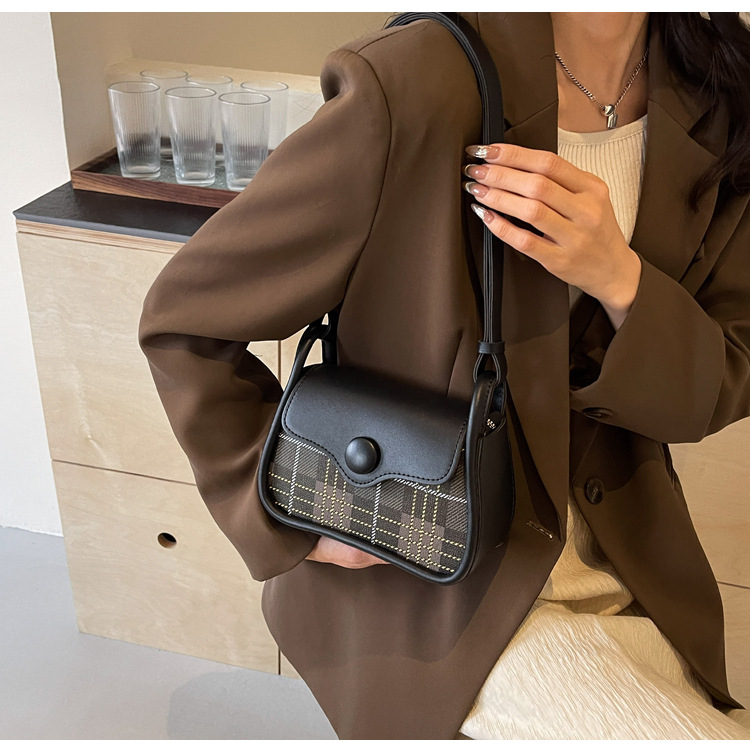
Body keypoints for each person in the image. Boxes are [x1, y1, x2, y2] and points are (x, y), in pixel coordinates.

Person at [138, 12, 750, 740]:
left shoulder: (723, 94)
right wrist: (286, 517)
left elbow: (721, 380)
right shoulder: (415, 82)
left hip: (635, 574)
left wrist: (619, 278)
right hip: (441, 585)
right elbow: (186, 318)